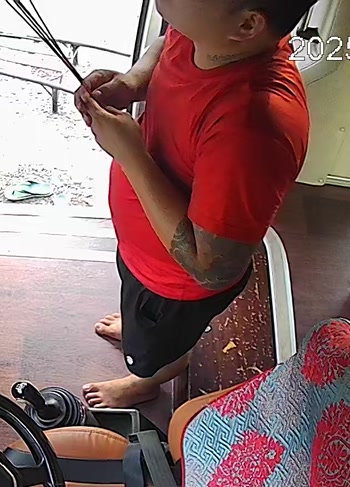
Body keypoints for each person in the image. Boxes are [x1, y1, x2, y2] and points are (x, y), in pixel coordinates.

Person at [74, 0, 314, 408]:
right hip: (142, 253)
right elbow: (167, 42)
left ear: (248, 24)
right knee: (139, 315)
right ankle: (140, 330)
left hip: (174, 286)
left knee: (153, 351)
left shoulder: (252, 130)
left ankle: (146, 380)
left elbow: (212, 268)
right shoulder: (211, 34)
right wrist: (133, 82)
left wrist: (130, 155)